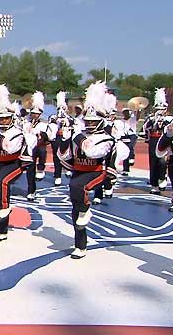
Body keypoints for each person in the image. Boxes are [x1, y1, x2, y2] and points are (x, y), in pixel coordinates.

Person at [58, 82, 115, 259]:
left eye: (93, 121)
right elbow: (64, 156)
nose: (90, 124)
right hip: (79, 172)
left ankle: (86, 208)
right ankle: (80, 245)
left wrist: (77, 135)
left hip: (98, 172)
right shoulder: (79, 135)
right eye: (88, 121)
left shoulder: (106, 138)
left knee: (80, 190)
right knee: (75, 210)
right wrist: (66, 139)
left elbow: (92, 152)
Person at [0, 84, 30, 242]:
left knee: (2, 182)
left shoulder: (16, 132)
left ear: (11, 118)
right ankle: (1, 231)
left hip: (13, 164)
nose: (3, 120)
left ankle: (4, 210)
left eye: (6, 118)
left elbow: (10, 149)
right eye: (1, 118)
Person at [142, 88, 172, 194]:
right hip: (154, 140)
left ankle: (162, 177)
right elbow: (145, 129)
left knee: (163, 161)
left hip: (164, 140)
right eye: (158, 109)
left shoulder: (170, 119)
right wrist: (153, 121)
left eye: (162, 109)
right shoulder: (150, 119)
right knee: (153, 162)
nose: (160, 111)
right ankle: (154, 184)